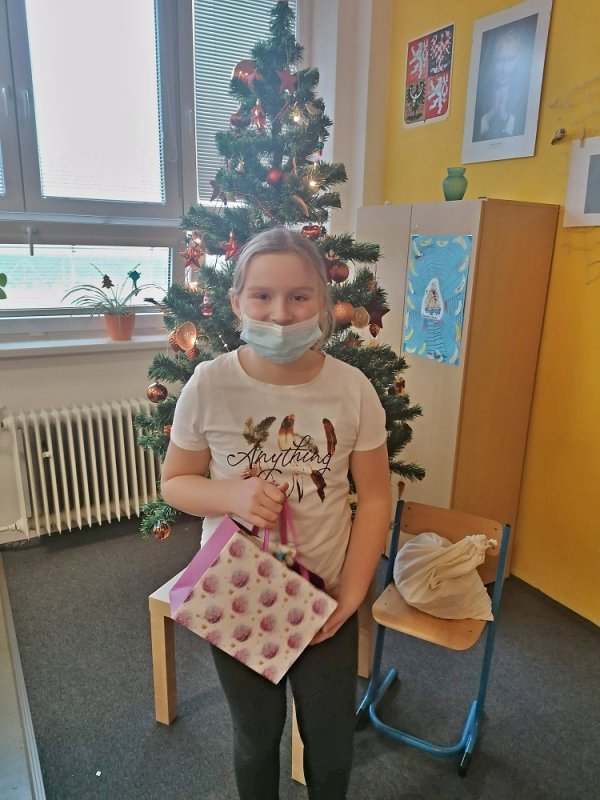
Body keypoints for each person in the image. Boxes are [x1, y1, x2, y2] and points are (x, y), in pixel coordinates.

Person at [160, 228, 391, 800]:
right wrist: (232, 497)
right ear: (237, 302)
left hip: (327, 598)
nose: (281, 314)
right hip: (241, 591)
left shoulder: (353, 389)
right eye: (262, 296)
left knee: (331, 746)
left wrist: (352, 595)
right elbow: (175, 483)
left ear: (323, 303)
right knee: (255, 737)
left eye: (299, 296)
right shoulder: (209, 384)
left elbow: (375, 497)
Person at [476, 27, 526, 141]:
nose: (504, 69)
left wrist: (506, 116)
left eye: (511, 60)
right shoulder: (481, 93)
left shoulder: (523, 97)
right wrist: (489, 115)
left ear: (518, 60)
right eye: (500, 61)